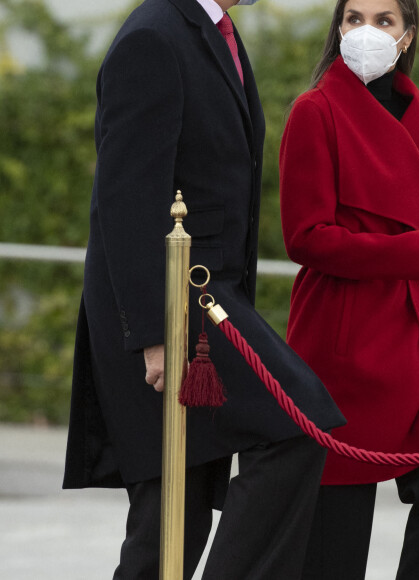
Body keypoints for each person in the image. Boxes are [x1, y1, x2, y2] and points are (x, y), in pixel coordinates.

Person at [63, 1, 344, 578]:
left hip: (213, 299)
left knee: (177, 522)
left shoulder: (216, 32)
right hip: (175, 311)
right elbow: (126, 200)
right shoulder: (153, 38)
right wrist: (153, 332)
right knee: (297, 426)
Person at [279, 0, 419, 578]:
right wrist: (413, 250)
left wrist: (413, 253)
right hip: (342, 331)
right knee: (336, 518)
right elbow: (305, 238)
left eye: (384, 20)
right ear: (338, 29)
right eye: (353, 19)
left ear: (407, 35)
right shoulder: (313, 111)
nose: (366, 31)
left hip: (413, 328)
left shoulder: (415, 110)